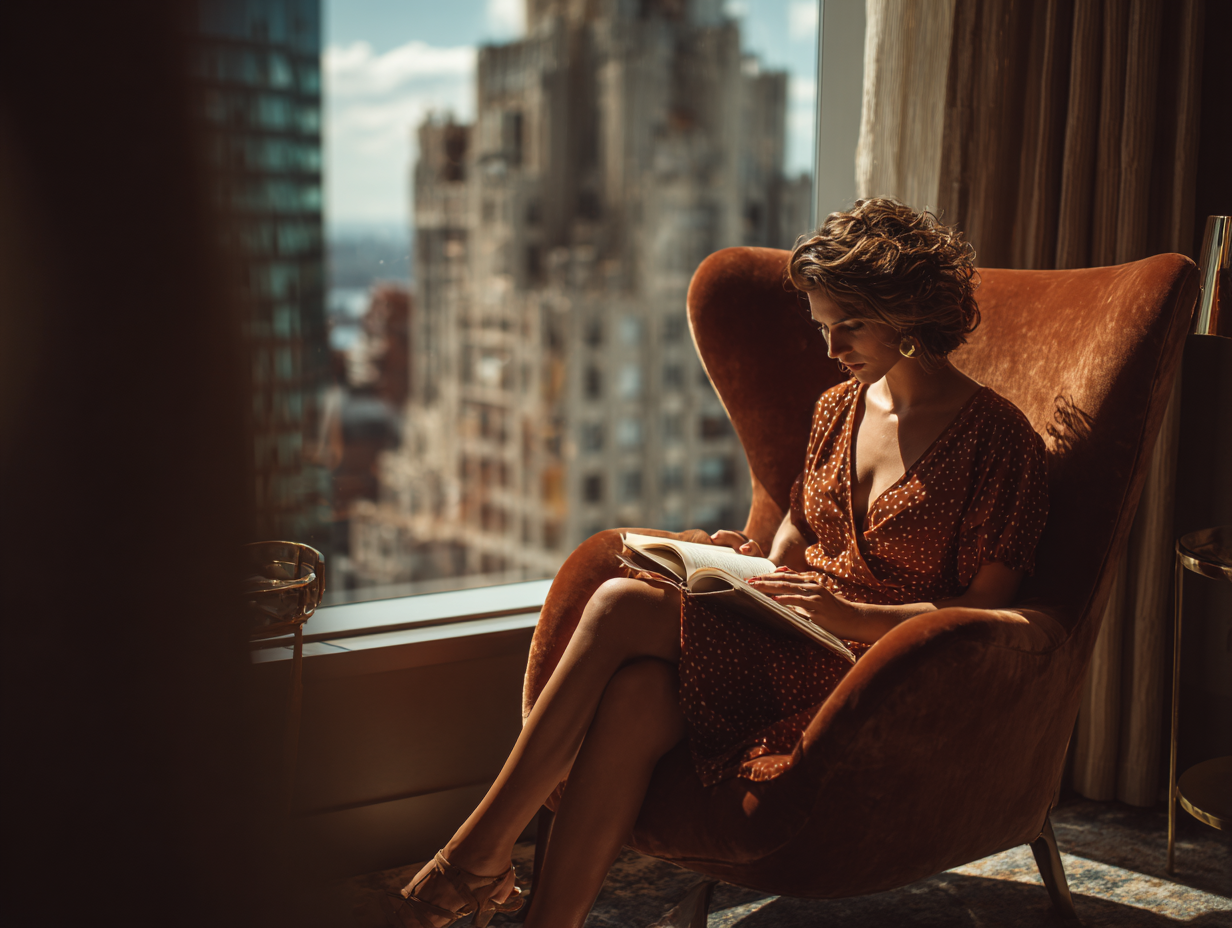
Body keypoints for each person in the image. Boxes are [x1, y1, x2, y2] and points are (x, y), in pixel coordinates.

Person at [374, 198, 1049, 928]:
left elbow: (988, 611)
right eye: (823, 326)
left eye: (850, 324)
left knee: (620, 604)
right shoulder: (838, 407)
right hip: (791, 631)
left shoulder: (999, 441)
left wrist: (850, 614)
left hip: (872, 674)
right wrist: (750, 564)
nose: (832, 348)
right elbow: (799, 527)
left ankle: (471, 862)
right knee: (636, 696)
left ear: (907, 309)